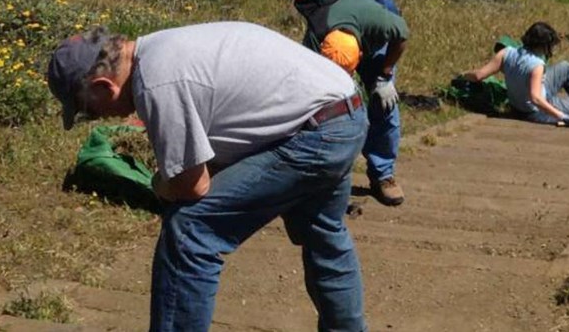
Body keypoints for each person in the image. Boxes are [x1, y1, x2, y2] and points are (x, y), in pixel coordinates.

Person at [45, 23, 368, 332]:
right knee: (322, 232)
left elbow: (192, 187)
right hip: (345, 110)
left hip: (316, 133)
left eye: (88, 109)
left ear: (104, 86)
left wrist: (159, 184)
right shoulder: (160, 49)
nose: (98, 118)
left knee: (189, 231)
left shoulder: (156, 82)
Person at [308, 0, 410, 206]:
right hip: (340, 36)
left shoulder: (383, 24)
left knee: (384, 105)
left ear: (360, 57)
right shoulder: (314, 42)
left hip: (374, 36)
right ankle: (322, 175)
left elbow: (402, 36)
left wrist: (385, 76)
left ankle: (383, 175)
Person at [460, 22, 569, 126]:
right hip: (535, 111)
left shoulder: (506, 52)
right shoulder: (537, 65)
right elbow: (536, 98)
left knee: (564, 67)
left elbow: (479, 75)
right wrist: (563, 116)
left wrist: (462, 75)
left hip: (517, 103)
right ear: (543, 45)